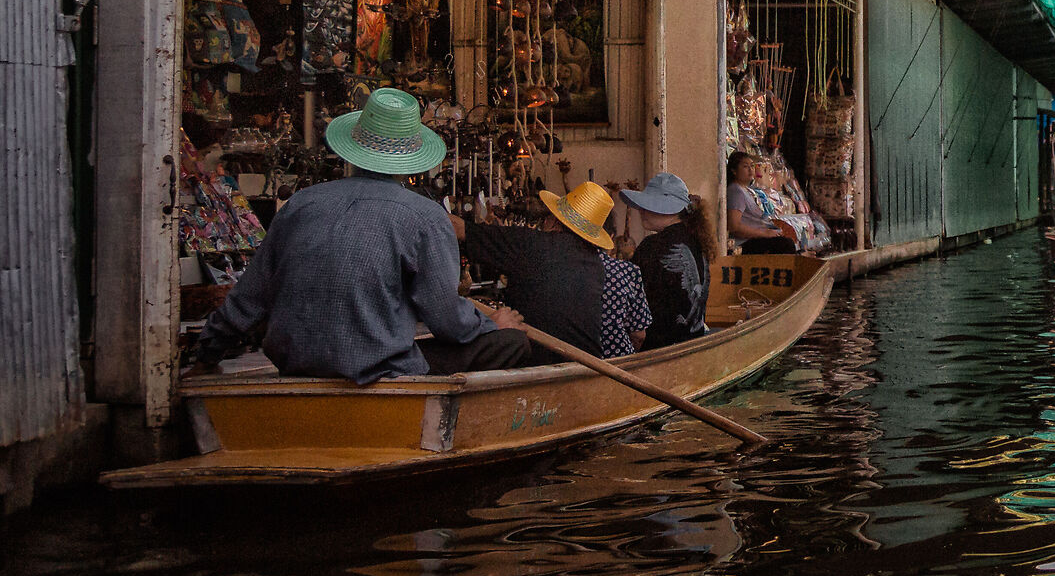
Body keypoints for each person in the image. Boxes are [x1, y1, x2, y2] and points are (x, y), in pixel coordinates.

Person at [191, 88, 532, 380]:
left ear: (353, 152)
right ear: (412, 160)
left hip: (298, 367)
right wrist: (494, 324)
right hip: (377, 373)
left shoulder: (300, 204)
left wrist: (207, 355)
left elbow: (248, 298)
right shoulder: (427, 218)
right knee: (512, 343)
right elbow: (448, 322)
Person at [456, 179, 652, 359]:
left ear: (555, 221)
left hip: (534, 363)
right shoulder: (595, 265)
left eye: (547, 218)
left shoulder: (530, 244)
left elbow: (459, 229)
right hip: (584, 363)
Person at [622, 172, 713, 349]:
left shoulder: (652, 246)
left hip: (657, 351)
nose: (641, 210)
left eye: (648, 204)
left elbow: (631, 305)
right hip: (694, 345)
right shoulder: (698, 240)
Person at [727, 151, 803, 255]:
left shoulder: (746, 190)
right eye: (745, 166)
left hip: (756, 238)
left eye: (752, 166)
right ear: (734, 171)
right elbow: (734, 226)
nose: (750, 170)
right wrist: (764, 233)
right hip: (745, 243)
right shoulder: (736, 191)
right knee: (785, 244)